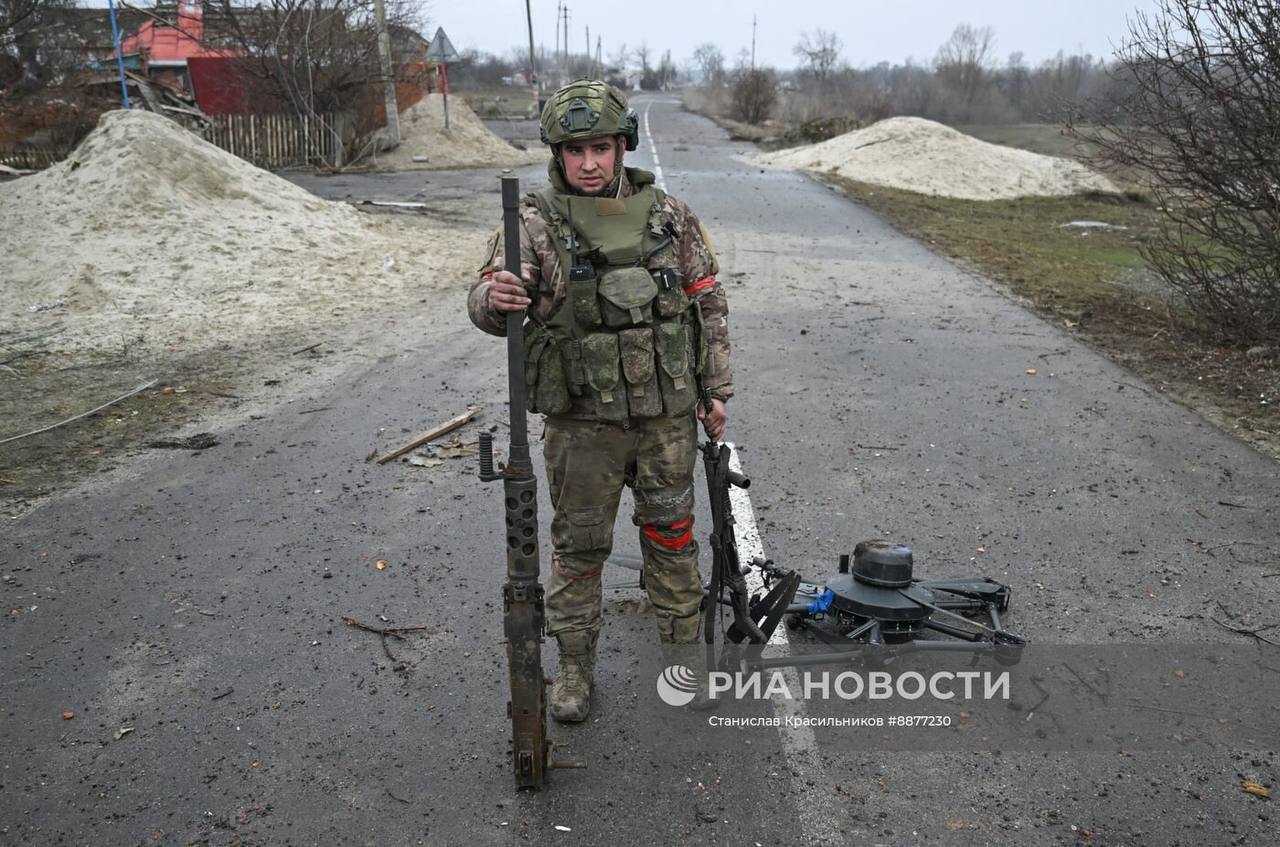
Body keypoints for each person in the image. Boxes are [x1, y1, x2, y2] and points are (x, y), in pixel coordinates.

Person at [467, 80, 733, 722]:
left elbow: (707, 300)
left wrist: (716, 388)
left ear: (622, 148)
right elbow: (487, 299)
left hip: (665, 421)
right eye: (575, 150)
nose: (589, 163)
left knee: (672, 540)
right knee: (580, 551)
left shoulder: (670, 215)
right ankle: (574, 672)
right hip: (582, 427)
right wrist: (494, 300)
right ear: (557, 154)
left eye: (601, 148)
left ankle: (682, 666)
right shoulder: (531, 223)